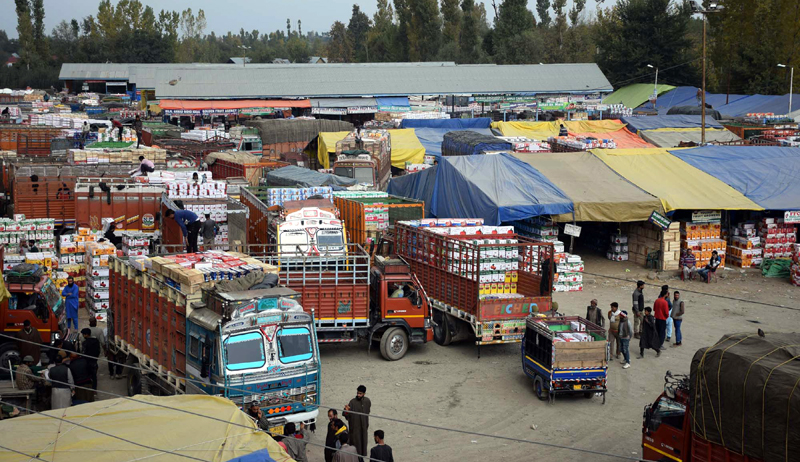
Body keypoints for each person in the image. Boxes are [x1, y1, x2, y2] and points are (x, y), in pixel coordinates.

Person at [344, 385, 371, 462]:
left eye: (360, 393)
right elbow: (346, 415)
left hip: (363, 429)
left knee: (362, 446)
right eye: (358, 393)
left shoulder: (367, 401)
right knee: (355, 448)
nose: (358, 395)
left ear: (364, 394)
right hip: (355, 430)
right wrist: (346, 411)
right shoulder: (352, 402)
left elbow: (367, 411)